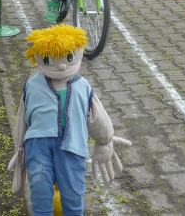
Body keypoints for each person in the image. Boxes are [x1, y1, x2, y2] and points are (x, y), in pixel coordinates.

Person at [8, 24, 132, 216]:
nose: (62, 65)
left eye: (68, 57)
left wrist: (104, 141)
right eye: (51, 58)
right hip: (38, 147)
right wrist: (20, 148)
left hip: (72, 147)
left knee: (73, 193)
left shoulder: (83, 86)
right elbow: (22, 118)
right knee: (40, 191)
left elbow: (97, 117)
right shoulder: (31, 85)